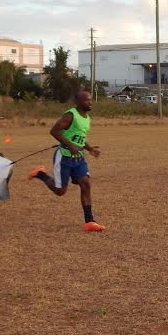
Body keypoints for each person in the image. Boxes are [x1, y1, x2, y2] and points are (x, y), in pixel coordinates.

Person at [28, 91, 105, 231]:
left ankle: (89, 221)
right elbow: (54, 131)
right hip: (63, 156)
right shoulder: (70, 115)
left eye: (91, 100)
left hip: (79, 158)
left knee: (86, 184)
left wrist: (90, 149)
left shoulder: (87, 118)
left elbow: (79, 137)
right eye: (87, 100)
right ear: (78, 102)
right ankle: (40, 174)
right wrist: (70, 146)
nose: (90, 102)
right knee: (60, 191)